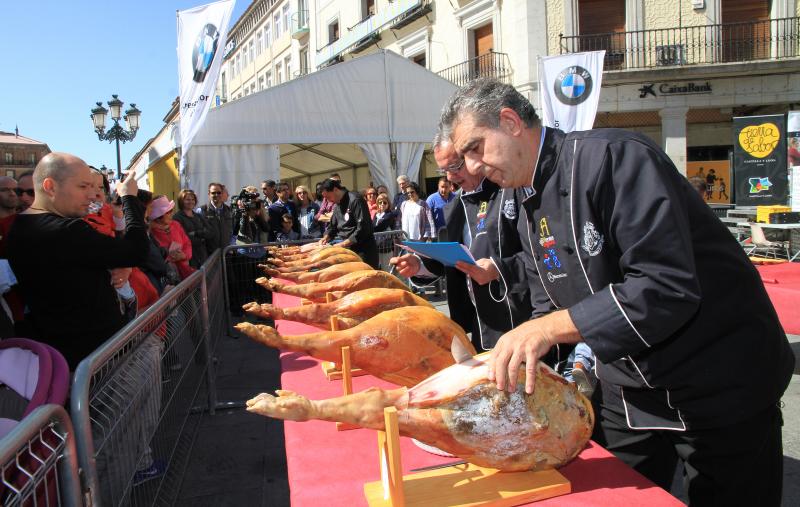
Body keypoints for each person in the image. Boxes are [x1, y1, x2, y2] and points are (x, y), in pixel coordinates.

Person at [437, 78, 794, 505]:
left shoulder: (614, 157)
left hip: (718, 379)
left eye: (475, 148)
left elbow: (664, 286)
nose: (472, 167)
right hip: (626, 390)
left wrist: (547, 329)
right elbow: (544, 299)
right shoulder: (524, 204)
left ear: (511, 122)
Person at [7, 153, 149, 370]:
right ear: (50, 186)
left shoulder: (20, 226)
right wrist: (129, 197)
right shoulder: (65, 231)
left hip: (68, 357)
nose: (92, 195)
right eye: (83, 187)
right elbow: (136, 251)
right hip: (97, 361)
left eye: (94, 187)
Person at [391, 140, 531, 351]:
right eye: (444, 170)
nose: (449, 177)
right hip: (478, 321)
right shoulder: (455, 206)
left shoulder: (510, 190)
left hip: (519, 318)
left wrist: (499, 270)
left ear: (476, 155)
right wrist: (418, 264)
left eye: (455, 167)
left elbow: (541, 254)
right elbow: (450, 258)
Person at [318, 178, 379, 268]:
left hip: (364, 252)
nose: (328, 201)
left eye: (328, 197)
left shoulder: (355, 199)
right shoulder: (337, 206)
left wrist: (343, 244)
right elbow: (333, 226)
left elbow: (363, 228)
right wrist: (326, 237)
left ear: (335, 190)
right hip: (348, 251)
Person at [149, 196, 195, 280]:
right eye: (169, 211)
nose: (172, 213)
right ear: (159, 216)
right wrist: (170, 258)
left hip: (185, 274)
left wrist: (184, 255)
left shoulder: (176, 225)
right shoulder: (150, 232)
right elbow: (153, 256)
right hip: (167, 279)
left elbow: (187, 243)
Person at [173, 189, 213, 268]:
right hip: (188, 256)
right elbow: (184, 238)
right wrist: (202, 238)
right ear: (181, 201)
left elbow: (211, 232)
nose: (191, 202)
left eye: (192, 199)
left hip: (202, 255)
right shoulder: (177, 218)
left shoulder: (198, 216)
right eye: (187, 199)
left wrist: (196, 233)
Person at [200, 182, 233, 251]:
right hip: (210, 255)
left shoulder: (229, 211)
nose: (216, 195)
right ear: (209, 194)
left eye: (219, 192)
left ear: (222, 193)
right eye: (213, 193)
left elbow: (232, 232)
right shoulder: (202, 211)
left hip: (226, 253)